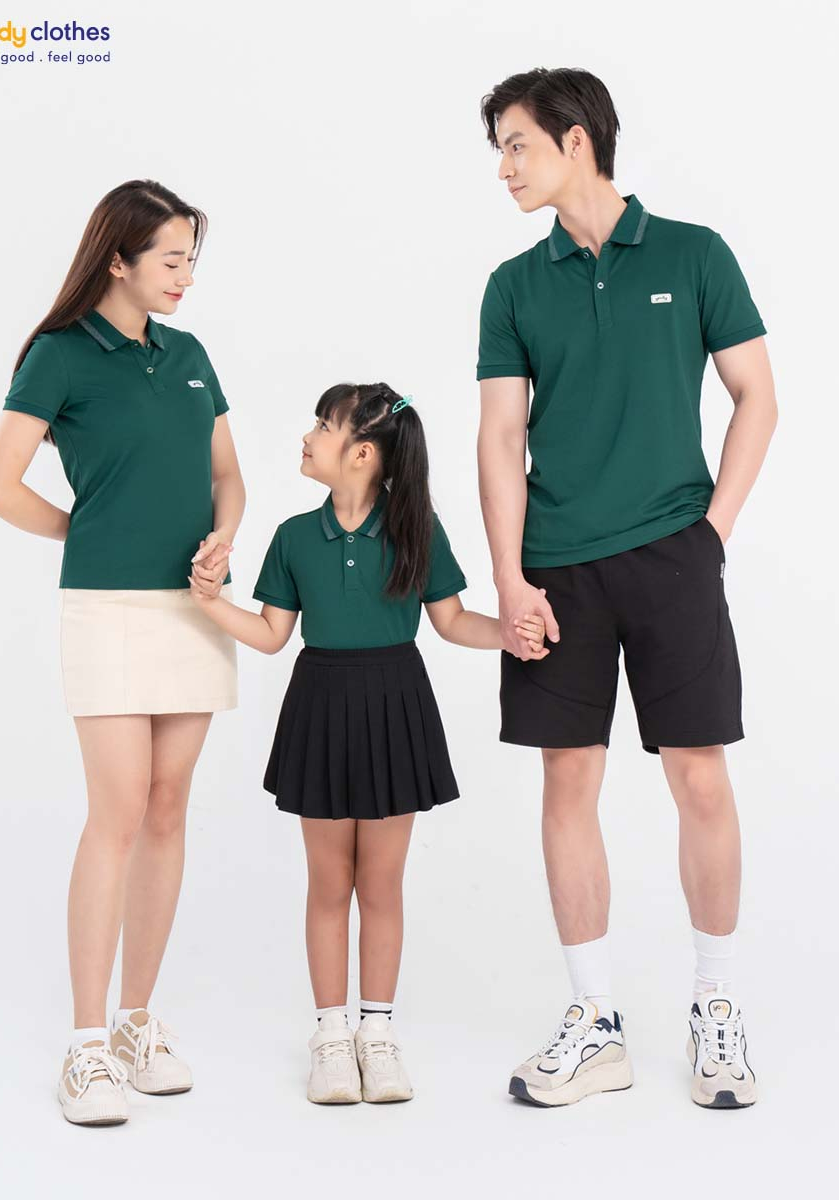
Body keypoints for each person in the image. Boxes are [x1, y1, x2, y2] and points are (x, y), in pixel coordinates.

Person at [475, 67, 777, 1108]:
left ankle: (716, 1006)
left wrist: (711, 534)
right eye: (499, 151)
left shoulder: (694, 254)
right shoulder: (514, 285)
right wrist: (509, 577)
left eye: (517, 144)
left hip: (672, 555)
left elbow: (756, 396)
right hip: (556, 566)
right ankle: (595, 1021)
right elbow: (500, 436)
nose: (505, 168)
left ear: (576, 140)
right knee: (568, 783)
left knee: (700, 777)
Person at [188, 381, 544, 1104]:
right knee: (329, 883)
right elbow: (272, 635)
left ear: (362, 454)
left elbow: (452, 621)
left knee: (380, 884)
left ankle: (376, 1035)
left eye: (323, 426)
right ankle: (330, 1036)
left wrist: (509, 635)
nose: (307, 436)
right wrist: (210, 602)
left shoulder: (417, 530)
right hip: (319, 705)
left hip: (395, 705)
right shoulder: (293, 537)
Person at [0, 180, 244, 1126]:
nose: (184, 277)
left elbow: (228, 476)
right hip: (107, 608)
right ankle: (86, 1045)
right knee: (118, 812)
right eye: (170, 259)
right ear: (119, 258)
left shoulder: (189, 355)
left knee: (169, 808)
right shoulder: (58, 355)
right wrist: (85, 530)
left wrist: (223, 538)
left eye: (190, 261)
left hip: (194, 610)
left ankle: (137, 1022)